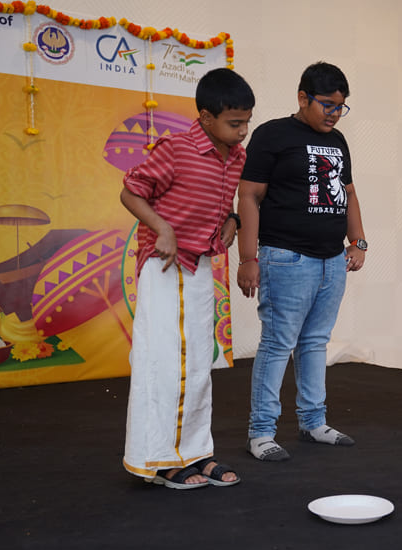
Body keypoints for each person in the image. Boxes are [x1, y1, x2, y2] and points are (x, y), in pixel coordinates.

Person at [120, 68, 255, 489]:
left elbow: (222, 204)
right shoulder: (176, 149)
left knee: (197, 364)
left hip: (199, 266)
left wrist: (231, 221)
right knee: (164, 364)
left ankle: (196, 452)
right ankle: (160, 459)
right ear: (206, 117)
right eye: (235, 123)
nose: (243, 131)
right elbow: (131, 191)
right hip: (164, 267)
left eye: (247, 122)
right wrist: (162, 228)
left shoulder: (236, 157)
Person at [236, 62, 367, 462]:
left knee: (315, 342)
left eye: (340, 106)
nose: (334, 113)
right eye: (327, 104)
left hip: (332, 259)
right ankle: (261, 433)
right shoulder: (271, 135)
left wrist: (358, 242)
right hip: (286, 257)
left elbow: (348, 192)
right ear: (302, 97)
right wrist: (247, 257)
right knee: (278, 343)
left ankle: (313, 422)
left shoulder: (339, 140)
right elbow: (249, 196)